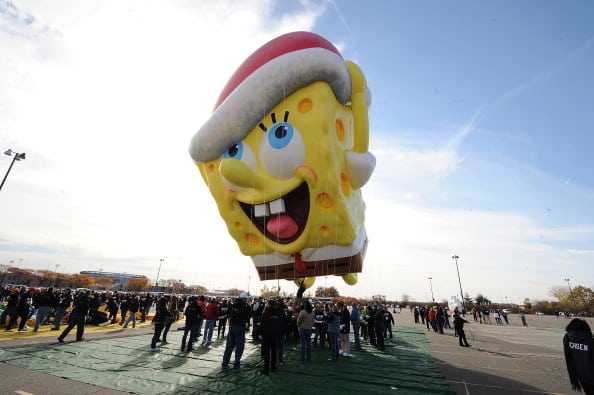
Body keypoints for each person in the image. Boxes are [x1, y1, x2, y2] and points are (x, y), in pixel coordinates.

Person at [222, 292, 252, 370]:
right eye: (246, 299)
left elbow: (230, 313)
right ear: (244, 299)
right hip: (239, 327)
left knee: (229, 346)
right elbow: (248, 315)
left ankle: (225, 363)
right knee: (239, 347)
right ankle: (236, 365)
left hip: (232, 327)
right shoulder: (244, 306)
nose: (247, 300)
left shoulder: (233, 305)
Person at [563, 318, 594, 394]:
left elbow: (569, 360)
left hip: (581, 377)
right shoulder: (590, 341)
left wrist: (574, 381)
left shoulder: (567, 338)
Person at [260, 299, 281, 374]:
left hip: (266, 334)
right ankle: (273, 367)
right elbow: (279, 323)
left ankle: (266, 369)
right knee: (274, 351)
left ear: (268, 304)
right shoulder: (277, 313)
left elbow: (262, 324)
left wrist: (260, 333)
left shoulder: (265, 313)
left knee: (266, 352)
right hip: (274, 334)